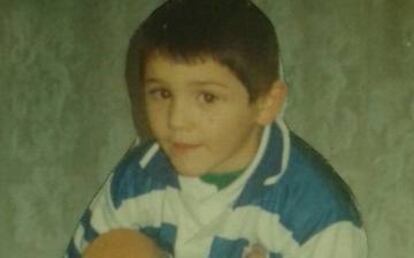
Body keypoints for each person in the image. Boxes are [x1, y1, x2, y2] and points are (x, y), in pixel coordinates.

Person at [64, 0, 368, 257]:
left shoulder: (315, 209)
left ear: (266, 103)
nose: (177, 120)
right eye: (162, 94)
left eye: (207, 97)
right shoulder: (136, 179)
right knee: (119, 247)